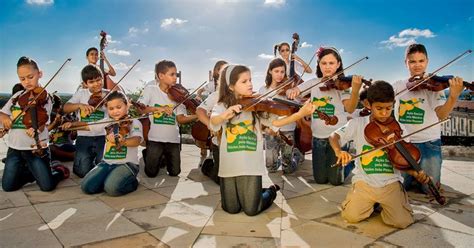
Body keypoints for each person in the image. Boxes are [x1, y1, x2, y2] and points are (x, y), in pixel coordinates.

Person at [210, 64, 316, 216]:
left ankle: (270, 191)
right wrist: (224, 115)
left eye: (250, 80)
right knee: (231, 209)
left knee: (252, 210)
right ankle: (250, 193)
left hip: (250, 166)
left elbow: (277, 122)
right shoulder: (222, 105)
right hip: (229, 165)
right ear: (231, 86)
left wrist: (300, 114)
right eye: (244, 81)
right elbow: (213, 122)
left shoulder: (257, 105)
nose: (250, 84)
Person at [329, 80, 430, 228]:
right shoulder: (358, 123)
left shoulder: (400, 129)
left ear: (393, 104)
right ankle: (371, 203)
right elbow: (334, 136)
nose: (384, 113)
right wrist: (339, 151)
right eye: (379, 108)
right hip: (364, 181)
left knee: (402, 222)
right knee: (351, 217)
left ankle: (388, 202)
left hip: (390, 183)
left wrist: (414, 173)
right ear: (369, 105)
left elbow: (401, 162)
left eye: (388, 108)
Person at [392, 43, 464, 194]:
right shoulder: (398, 85)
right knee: (398, 188)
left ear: (427, 62)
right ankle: (413, 177)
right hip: (404, 144)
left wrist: (453, 96)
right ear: (406, 63)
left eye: (421, 61)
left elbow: (442, 115)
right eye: (412, 61)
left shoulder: (434, 87)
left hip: (429, 144)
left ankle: (422, 178)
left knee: (429, 190)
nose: (417, 65)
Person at [286, 47, 363, 185]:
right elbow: (296, 90)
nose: (327, 67)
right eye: (324, 63)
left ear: (338, 64)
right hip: (318, 138)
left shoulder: (342, 85)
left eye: (331, 63)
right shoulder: (314, 83)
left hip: (338, 137)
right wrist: (291, 91)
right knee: (320, 180)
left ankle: (350, 162)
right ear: (319, 64)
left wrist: (355, 90)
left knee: (335, 181)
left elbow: (350, 109)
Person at [0, 56, 69, 192]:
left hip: (36, 148)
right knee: (8, 186)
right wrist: (5, 121)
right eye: (22, 79)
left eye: (30, 77)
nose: (27, 82)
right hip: (15, 149)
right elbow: (2, 113)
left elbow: (43, 121)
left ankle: (59, 171)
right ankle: (33, 174)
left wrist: (35, 129)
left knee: (47, 186)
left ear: (40, 74)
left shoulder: (45, 98)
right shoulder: (18, 96)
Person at [62, 91, 141, 196]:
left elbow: (137, 140)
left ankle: (133, 181)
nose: (115, 111)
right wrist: (71, 125)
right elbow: (86, 125)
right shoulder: (107, 121)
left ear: (127, 106)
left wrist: (123, 142)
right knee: (87, 187)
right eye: (111, 109)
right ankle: (111, 178)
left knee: (112, 189)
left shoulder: (133, 122)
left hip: (126, 164)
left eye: (119, 107)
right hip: (107, 163)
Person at [137, 60, 197, 177]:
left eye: (176, 75)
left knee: (175, 172)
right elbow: (141, 109)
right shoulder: (151, 90)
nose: (175, 77)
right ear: (161, 76)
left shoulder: (178, 96)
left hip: (173, 139)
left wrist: (197, 115)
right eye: (172, 74)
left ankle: (161, 156)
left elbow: (180, 119)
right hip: (155, 139)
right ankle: (148, 153)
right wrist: (158, 109)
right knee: (151, 173)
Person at [258, 58, 304, 174]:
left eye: (282, 72)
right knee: (271, 168)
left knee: (287, 169)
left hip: (287, 129)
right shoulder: (263, 90)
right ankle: (278, 160)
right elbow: (261, 113)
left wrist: (293, 95)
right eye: (276, 71)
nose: (279, 75)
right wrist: (267, 128)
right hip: (271, 130)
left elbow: (297, 106)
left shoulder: (289, 89)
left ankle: (296, 156)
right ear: (270, 71)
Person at [63, 65, 109, 177]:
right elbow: (66, 108)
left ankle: (96, 164)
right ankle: (90, 164)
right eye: (91, 82)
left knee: (103, 166)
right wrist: (79, 105)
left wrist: (109, 104)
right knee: (81, 172)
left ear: (102, 78)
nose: (96, 84)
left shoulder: (108, 94)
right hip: (84, 136)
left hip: (103, 136)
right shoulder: (81, 94)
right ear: (85, 83)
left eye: (98, 80)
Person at [196, 60, 228, 184]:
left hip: (236, 144)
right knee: (221, 179)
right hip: (219, 141)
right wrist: (211, 125)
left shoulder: (240, 95)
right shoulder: (215, 94)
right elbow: (200, 110)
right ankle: (208, 166)